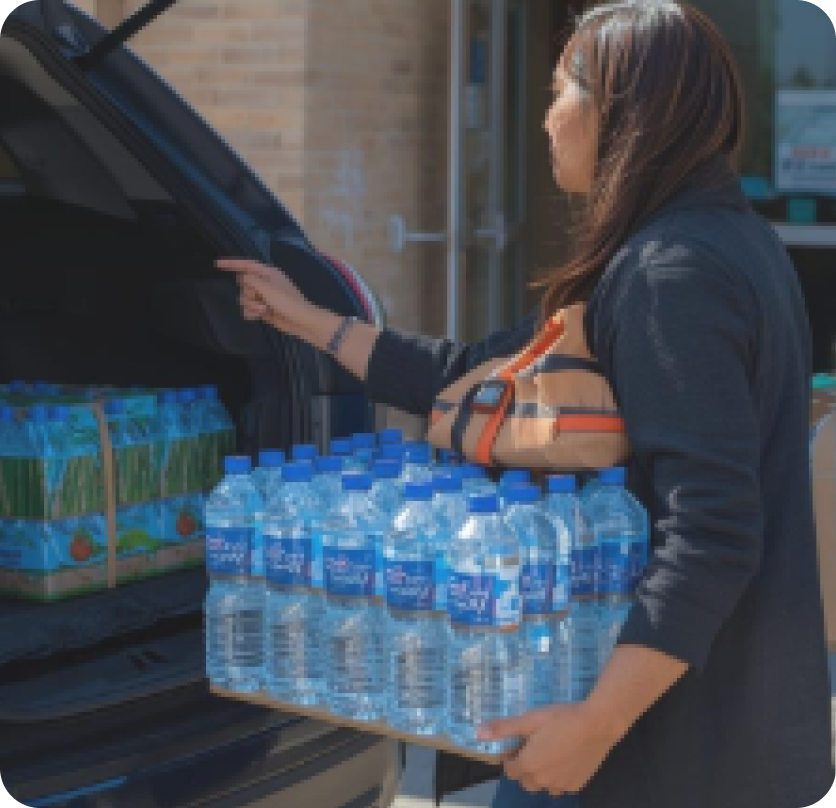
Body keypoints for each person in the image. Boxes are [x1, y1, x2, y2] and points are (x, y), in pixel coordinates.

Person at [217, 2, 834, 806]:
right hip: (715, 719)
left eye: (560, 92)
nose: (546, 119)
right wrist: (312, 323)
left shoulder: (671, 275)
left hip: (673, 746)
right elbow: (475, 375)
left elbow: (713, 531)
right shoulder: (720, 241)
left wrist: (597, 723)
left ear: (622, 112)